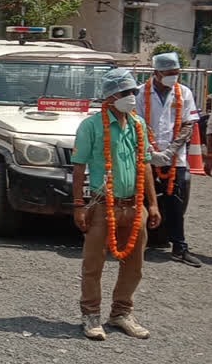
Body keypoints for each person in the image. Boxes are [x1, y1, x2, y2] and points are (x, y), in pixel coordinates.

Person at [72, 68, 161, 341]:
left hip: (134, 206)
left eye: (134, 92)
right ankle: (90, 315)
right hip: (102, 204)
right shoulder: (91, 126)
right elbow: (79, 167)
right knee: (93, 264)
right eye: (126, 92)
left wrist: (153, 205)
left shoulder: (137, 125)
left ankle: (121, 312)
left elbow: (145, 165)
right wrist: (78, 204)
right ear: (110, 96)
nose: (132, 97)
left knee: (135, 265)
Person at [135, 52, 201, 267]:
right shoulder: (139, 93)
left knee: (175, 202)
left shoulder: (184, 92)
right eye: (169, 73)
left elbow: (188, 124)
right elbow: (136, 124)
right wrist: (150, 151)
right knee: (142, 199)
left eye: (177, 73)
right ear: (157, 72)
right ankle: (137, 246)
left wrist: (170, 152)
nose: (174, 77)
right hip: (146, 155)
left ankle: (179, 248)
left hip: (175, 159)